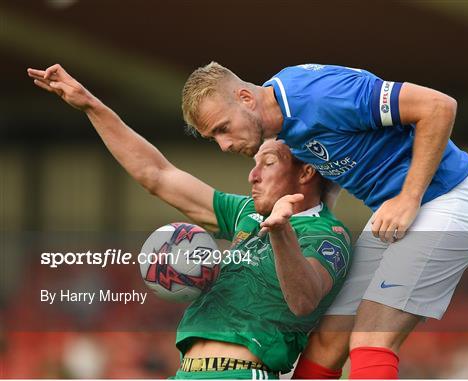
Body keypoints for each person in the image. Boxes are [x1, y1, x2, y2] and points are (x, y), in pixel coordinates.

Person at [27, 64, 353, 379]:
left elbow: (304, 300)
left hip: (241, 375)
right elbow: (157, 175)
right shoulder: (244, 213)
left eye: (267, 163)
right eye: (254, 164)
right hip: (185, 373)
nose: (252, 175)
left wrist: (282, 232)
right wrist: (91, 106)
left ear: (307, 171)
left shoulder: (327, 234)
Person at [180, 62, 468, 379]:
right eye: (213, 138)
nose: (224, 144)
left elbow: (439, 106)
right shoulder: (282, 116)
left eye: (222, 128)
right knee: (326, 344)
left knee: (371, 337)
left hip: (446, 201)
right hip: (394, 211)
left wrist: (409, 197)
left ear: (246, 98)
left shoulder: (321, 95)